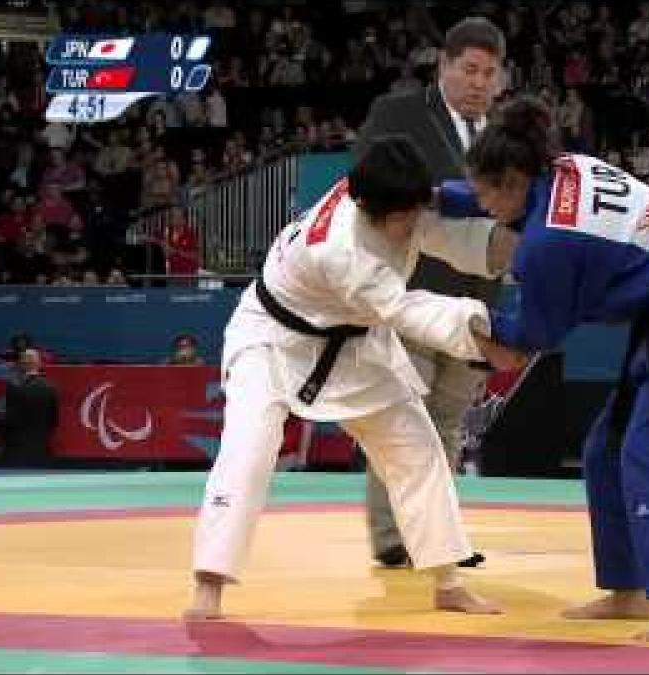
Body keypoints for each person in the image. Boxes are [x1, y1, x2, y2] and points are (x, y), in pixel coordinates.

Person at [440, 95, 649, 642]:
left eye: (482, 192)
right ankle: (629, 590)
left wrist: (469, 321)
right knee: (607, 448)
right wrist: (434, 199)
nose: (479, 202)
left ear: (510, 180)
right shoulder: (560, 169)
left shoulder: (546, 245)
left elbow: (536, 336)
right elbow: (490, 199)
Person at [184, 136, 522, 621]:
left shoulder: (391, 193)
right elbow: (405, 309)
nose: (410, 227)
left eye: (413, 211)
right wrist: (485, 333)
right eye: (400, 219)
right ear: (365, 208)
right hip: (273, 339)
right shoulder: (342, 250)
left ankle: (447, 580)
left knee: (416, 444)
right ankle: (209, 583)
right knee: (249, 448)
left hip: (352, 343)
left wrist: (517, 249)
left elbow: (441, 232)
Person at [355, 17, 505, 569]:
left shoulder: (505, 131)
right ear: (442, 65)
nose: (478, 82)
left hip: (476, 300)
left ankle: (437, 537)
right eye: (468, 70)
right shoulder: (397, 113)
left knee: (446, 422)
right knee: (401, 415)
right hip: (410, 296)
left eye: (489, 73)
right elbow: (368, 184)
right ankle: (392, 534)